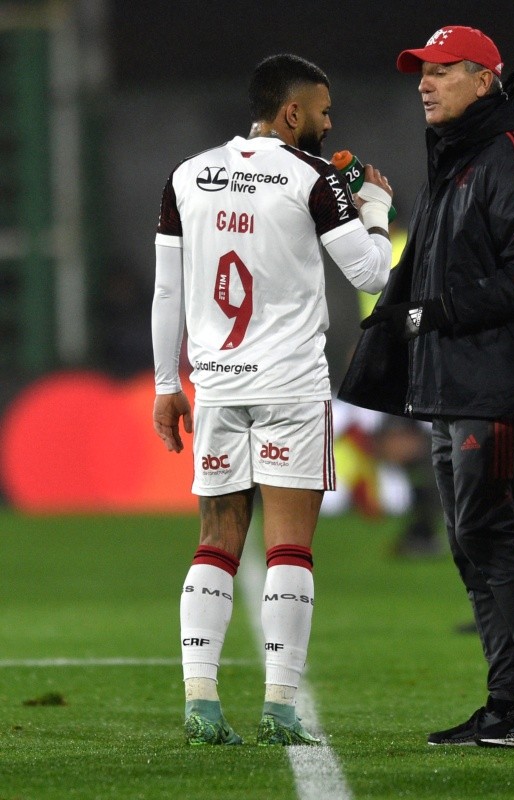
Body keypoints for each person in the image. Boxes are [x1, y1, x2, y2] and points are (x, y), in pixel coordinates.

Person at [339, 25, 514, 748]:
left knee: (489, 532)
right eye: (422, 71)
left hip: (499, 382)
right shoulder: (461, 156)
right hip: (454, 381)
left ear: (486, 79)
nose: (424, 82)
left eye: (443, 71)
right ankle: (508, 698)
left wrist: (433, 314)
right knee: (468, 540)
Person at [151, 54, 393, 747]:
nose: (327, 123)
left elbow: (169, 293)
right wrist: (373, 203)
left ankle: (201, 701)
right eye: (322, 111)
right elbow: (371, 271)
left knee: (216, 542)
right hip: (289, 385)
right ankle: (281, 709)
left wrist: (168, 386)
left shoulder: (187, 175)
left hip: (220, 384)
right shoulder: (313, 178)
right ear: (291, 113)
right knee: (290, 547)